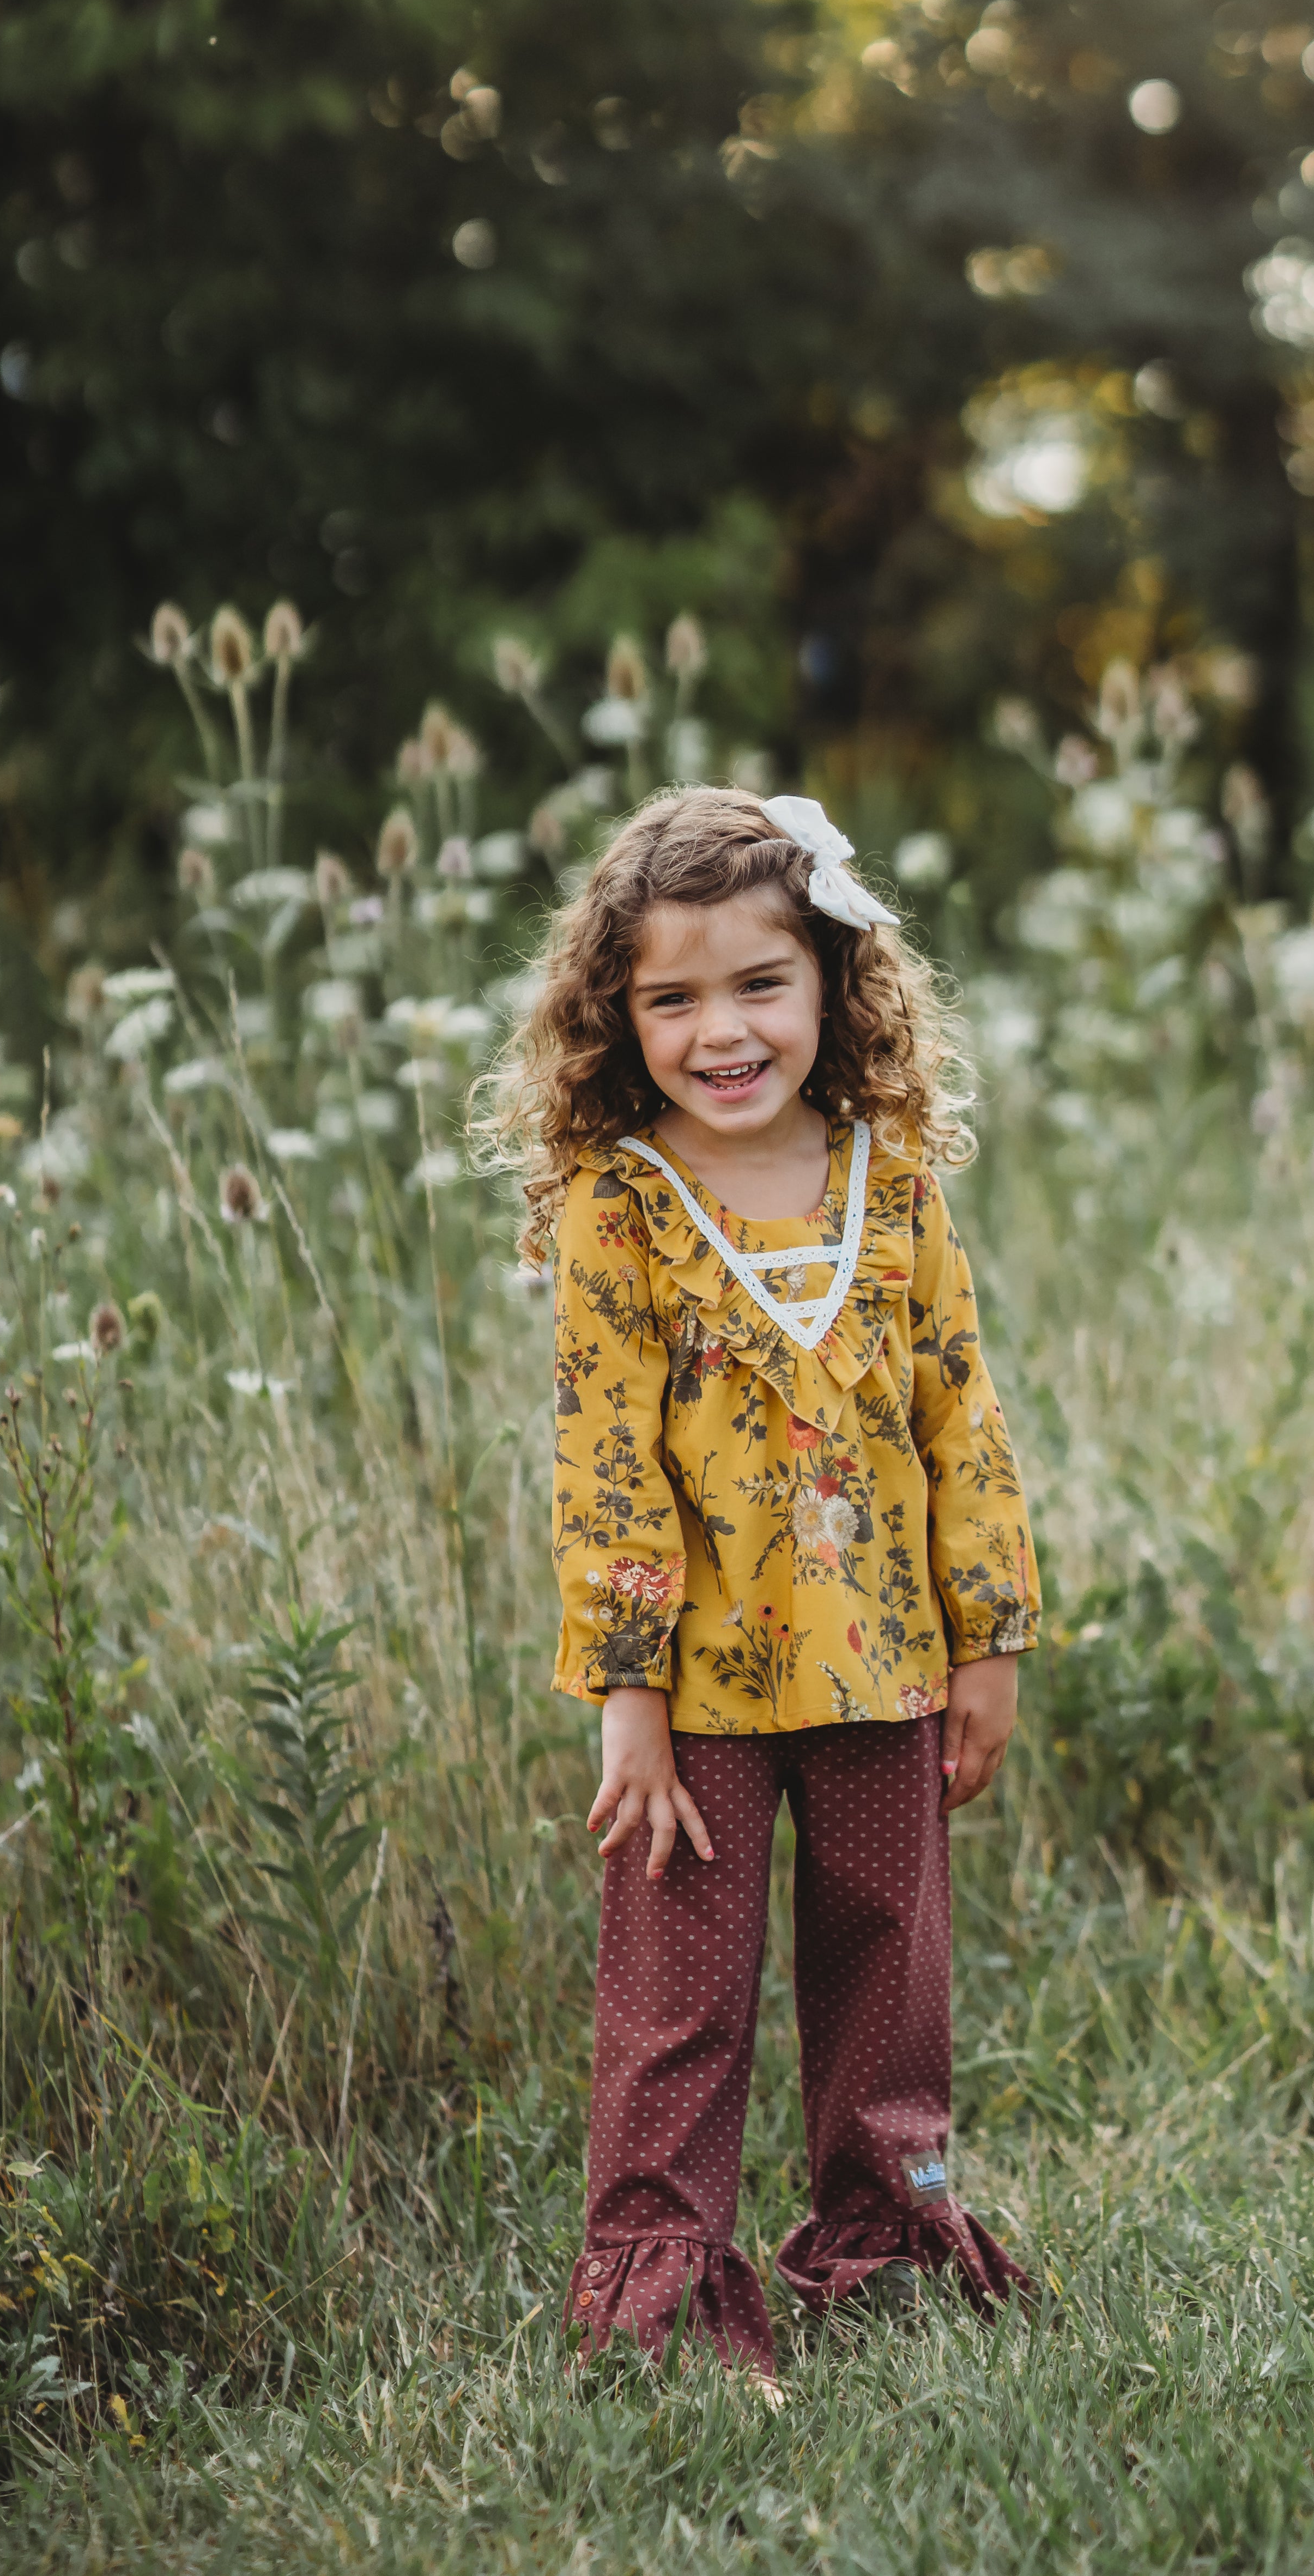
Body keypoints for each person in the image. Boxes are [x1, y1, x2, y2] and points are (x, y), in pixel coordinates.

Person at [486, 783, 1039, 2377]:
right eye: (671, 998)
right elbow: (607, 1465)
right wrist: (628, 1700)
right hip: (701, 1694)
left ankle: (890, 2235)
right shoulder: (623, 1213)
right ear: (616, 1014)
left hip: (886, 1666)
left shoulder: (898, 1180)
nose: (720, 1032)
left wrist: (988, 1637)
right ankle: (658, 2291)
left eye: (757, 986)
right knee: (681, 1994)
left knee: (891, 1962)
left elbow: (959, 1408)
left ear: (832, 985)